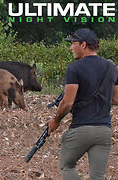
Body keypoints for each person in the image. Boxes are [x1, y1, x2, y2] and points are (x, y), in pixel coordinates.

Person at [47, 28, 118, 180]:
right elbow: (116, 99)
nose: (71, 48)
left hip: (81, 129)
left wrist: (55, 121)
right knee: (98, 176)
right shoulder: (111, 68)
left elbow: (67, 103)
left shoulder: (74, 68)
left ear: (83, 45)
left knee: (67, 166)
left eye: (73, 44)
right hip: (104, 131)